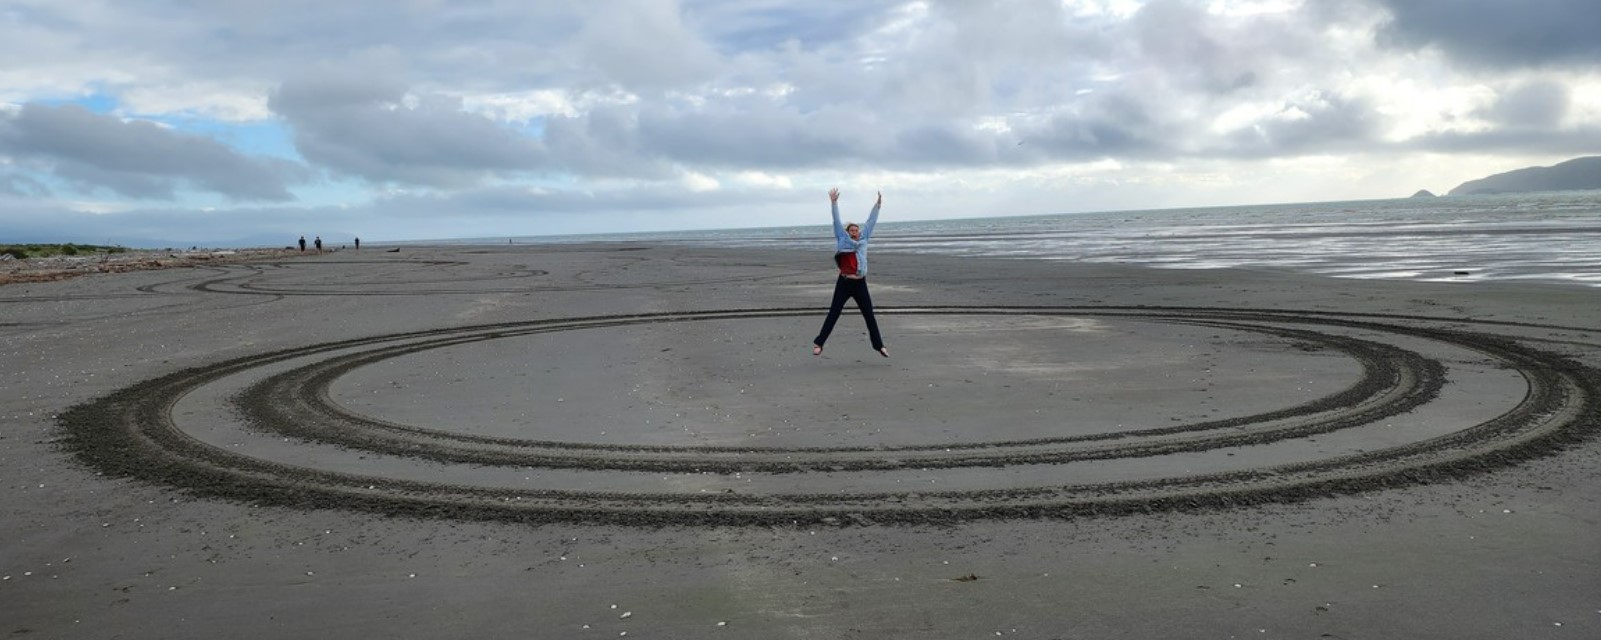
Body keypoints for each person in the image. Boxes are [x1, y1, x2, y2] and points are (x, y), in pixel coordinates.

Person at [813, 188, 888, 358]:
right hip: (844, 283)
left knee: (869, 315)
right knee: (834, 312)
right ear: (847, 232)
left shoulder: (864, 239)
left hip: (860, 283)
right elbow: (836, 220)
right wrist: (834, 203)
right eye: (852, 230)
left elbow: (871, 221)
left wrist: (877, 205)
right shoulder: (842, 238)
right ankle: (819, 343)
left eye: (857, 230)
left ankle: (879, 346)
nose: (855, 232)